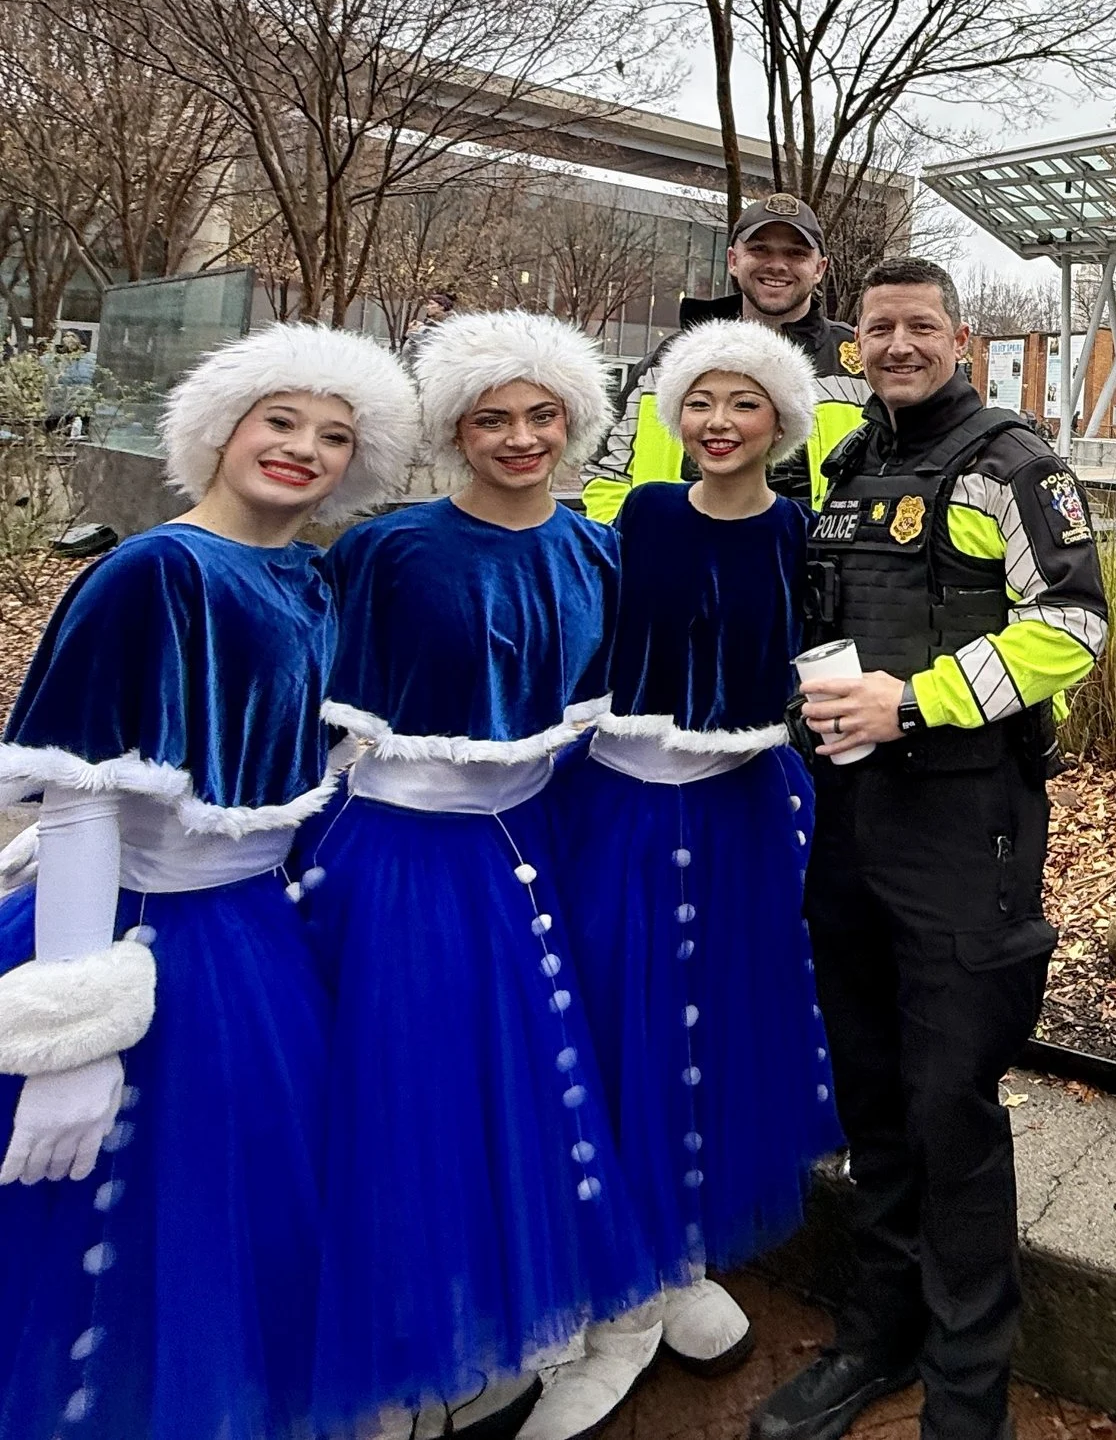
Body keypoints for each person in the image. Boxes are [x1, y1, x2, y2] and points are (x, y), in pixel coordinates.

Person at [0, 324, 418, 1440]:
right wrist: (74, 1036)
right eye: (280, 420)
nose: (303, 448)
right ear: (221, 428)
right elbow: (82, 795)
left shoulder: (310, 578)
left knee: (233, 1222)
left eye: (335, 436)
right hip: (144, 940)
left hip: (256, 936)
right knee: (116, 1230)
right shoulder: (150, 571)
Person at [752, 255, 1106, 1440]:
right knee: (872, 1095)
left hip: (965, 819)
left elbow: (1073, 627)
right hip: (848, 819)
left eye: (920, 326)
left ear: (962, 339)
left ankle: (966, 1394)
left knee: (951, 1104)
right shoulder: (848, 466)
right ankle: (877, 1335)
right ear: (854, 345)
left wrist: (915, 701)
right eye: (878, 329)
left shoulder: (1011, 464)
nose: (896, 345)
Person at [305, 312, 657, 1440]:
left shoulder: (599, 549)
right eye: (490, 418)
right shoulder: (388, 547)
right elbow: (304, 710)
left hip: (541, 849)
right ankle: (419, 1344)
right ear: (454, 430)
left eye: (539, 414)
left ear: (573, 420)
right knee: (413, 1098)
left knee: (537, 1087)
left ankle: (521, 1322)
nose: (518, 437)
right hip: (404, 861)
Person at [551, 320, 843, 1405]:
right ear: (674, 415)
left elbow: (823, 667)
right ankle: (612, 1270)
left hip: (736, 815)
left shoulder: (801, 534)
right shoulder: (636, 514)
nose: (720, 424)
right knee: (611, 1013)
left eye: (746, 405)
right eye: (702, 403)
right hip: (618, 805)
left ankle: (681, 1258)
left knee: (711, 1020)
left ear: (781, 422)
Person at [582, 192, 868, 523]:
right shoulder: (670, 361)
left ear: (819, 269)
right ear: (733, 260)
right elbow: (607, 475)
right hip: (683, 568)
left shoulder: (861, 365)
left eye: (796, 253)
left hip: (818, 569)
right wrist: (643, 548)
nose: (777, 264)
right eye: (759, 249)